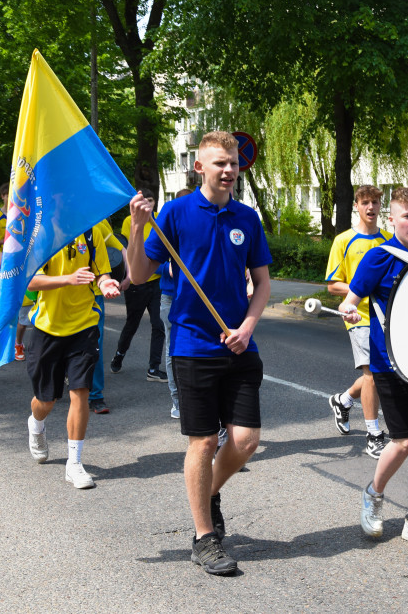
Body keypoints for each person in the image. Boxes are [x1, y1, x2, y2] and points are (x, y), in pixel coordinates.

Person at [125, 130, 272, 575]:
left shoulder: (247, 218)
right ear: (199, 167)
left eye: (232, 163)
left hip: (239, 343)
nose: (228, 170)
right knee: (204, 441)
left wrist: (247, 327)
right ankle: (204, 538)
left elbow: (263, 283)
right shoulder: (174, 213)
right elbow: (136, 272)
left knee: (245, 441)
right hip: (192, 344)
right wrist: (135, 225)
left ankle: (208, 492)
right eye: (219, 163)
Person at [338, 187, 408, 552]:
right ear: (392, 219)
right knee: (403, 441)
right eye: (407, 216)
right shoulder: (378, 258)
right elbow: (350, 302)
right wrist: (350, 310)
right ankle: (374, 493)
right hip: (390, 363)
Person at [24, 224, 121, 489]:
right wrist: (68, 278)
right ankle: (36, 423)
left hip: (84, 326)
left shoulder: (91, 233)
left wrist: (107, 282)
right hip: (47, 328)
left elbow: (101, 274)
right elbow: (30, 280)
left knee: (80, 392)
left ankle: (74, 463)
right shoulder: (41, 233)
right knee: (46, 400)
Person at [326, 184, 390, 458]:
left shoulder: (388, 239)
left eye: (375, 202)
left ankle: (344, 399)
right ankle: (374, 434)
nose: (371, 207)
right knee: (372, 374)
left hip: (386, 317)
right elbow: (332, 285)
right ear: (356, 206)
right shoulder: (343, 240)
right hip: (357, 315)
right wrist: (361, 287)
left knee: (383, 372)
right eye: (365, 202)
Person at [112, 188, 166, 383]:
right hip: (136, 282)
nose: (148, 205)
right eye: (145, 201)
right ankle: (119, 354)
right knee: (132, 323)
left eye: (151, 201)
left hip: (156, 282)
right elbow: (128, 248)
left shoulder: (160, 218)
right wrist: (128, 275)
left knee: (158, 324)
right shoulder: (130, 220)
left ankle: (153, 367)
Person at [159, 188, 193, 418]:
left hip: (195, 299)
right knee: (173, 350)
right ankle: (178, 402)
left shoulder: (198, 227)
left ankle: (197, 399)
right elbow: (152, 258)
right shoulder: (168, 227)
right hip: (171, 297)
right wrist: (167, 266)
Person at [86, 217, 125, 414]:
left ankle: (95, 395)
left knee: (95, 344)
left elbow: (121, 250)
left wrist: (128, 276)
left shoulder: (96, 226)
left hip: (91, 297)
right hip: (56, 301)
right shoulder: (51, 224)